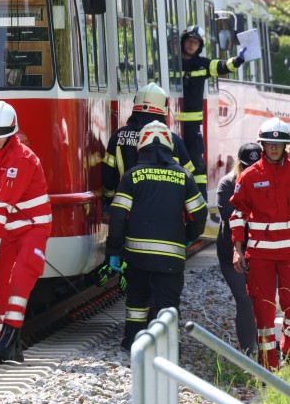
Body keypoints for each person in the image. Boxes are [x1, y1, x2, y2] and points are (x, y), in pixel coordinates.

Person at [105, 121, 207, 350]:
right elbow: (199, 215)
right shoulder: (184, 177)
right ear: (170, 147)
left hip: (137, 256)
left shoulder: (132, 176)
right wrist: (187, 237)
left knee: (137, 302)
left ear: (141, 146)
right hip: (171, 257)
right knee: (168, 305)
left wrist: (114, 251)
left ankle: (132, 342)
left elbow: (118, 217)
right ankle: (169, 348)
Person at [0, 100, 52, 361]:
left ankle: (8, 340)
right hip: (8, 229)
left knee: (21, 278)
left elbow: (4, 202)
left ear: (12, 133)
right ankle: (5, 338)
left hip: (33, 228)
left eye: (0, 137)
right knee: (0, 283)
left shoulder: (21, 159)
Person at [230, 118, 290, 371]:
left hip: (289, 254)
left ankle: (287, 357)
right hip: (260, 255)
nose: (274, 148)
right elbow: (237, 216)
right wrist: (237, 249)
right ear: (262, 144)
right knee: (264, 314)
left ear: (285, 145)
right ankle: (269, 368)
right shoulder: (249, 176)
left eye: (279, 144)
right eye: (269, 144)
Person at [176, 25, 247, 200]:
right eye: (189, 41)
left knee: (196, 163)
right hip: (171, 121)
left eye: (195, 43)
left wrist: (238, 60)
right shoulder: (170, 63)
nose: (191, 45)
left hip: (192, 125)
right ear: (183, 42)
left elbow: (223, 66)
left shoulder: (203, 64)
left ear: (199, 47)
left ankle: (200, 199)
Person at [102, 82, 194, 214]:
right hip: (166, 211)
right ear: (163, 109)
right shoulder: (173, 140)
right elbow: (189, 177)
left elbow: (108, 175)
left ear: (135, 106)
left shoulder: (118, 136)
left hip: (126, 210)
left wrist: (110, 199)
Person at [216, 143, 260, 357]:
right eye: (246, 166)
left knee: (262, 300)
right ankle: (248, 353)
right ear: (239, 165)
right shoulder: (227, 184)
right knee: (245, 300)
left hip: (263, 251)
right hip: (231, 253)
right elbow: (233, 218)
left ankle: (265, 350)